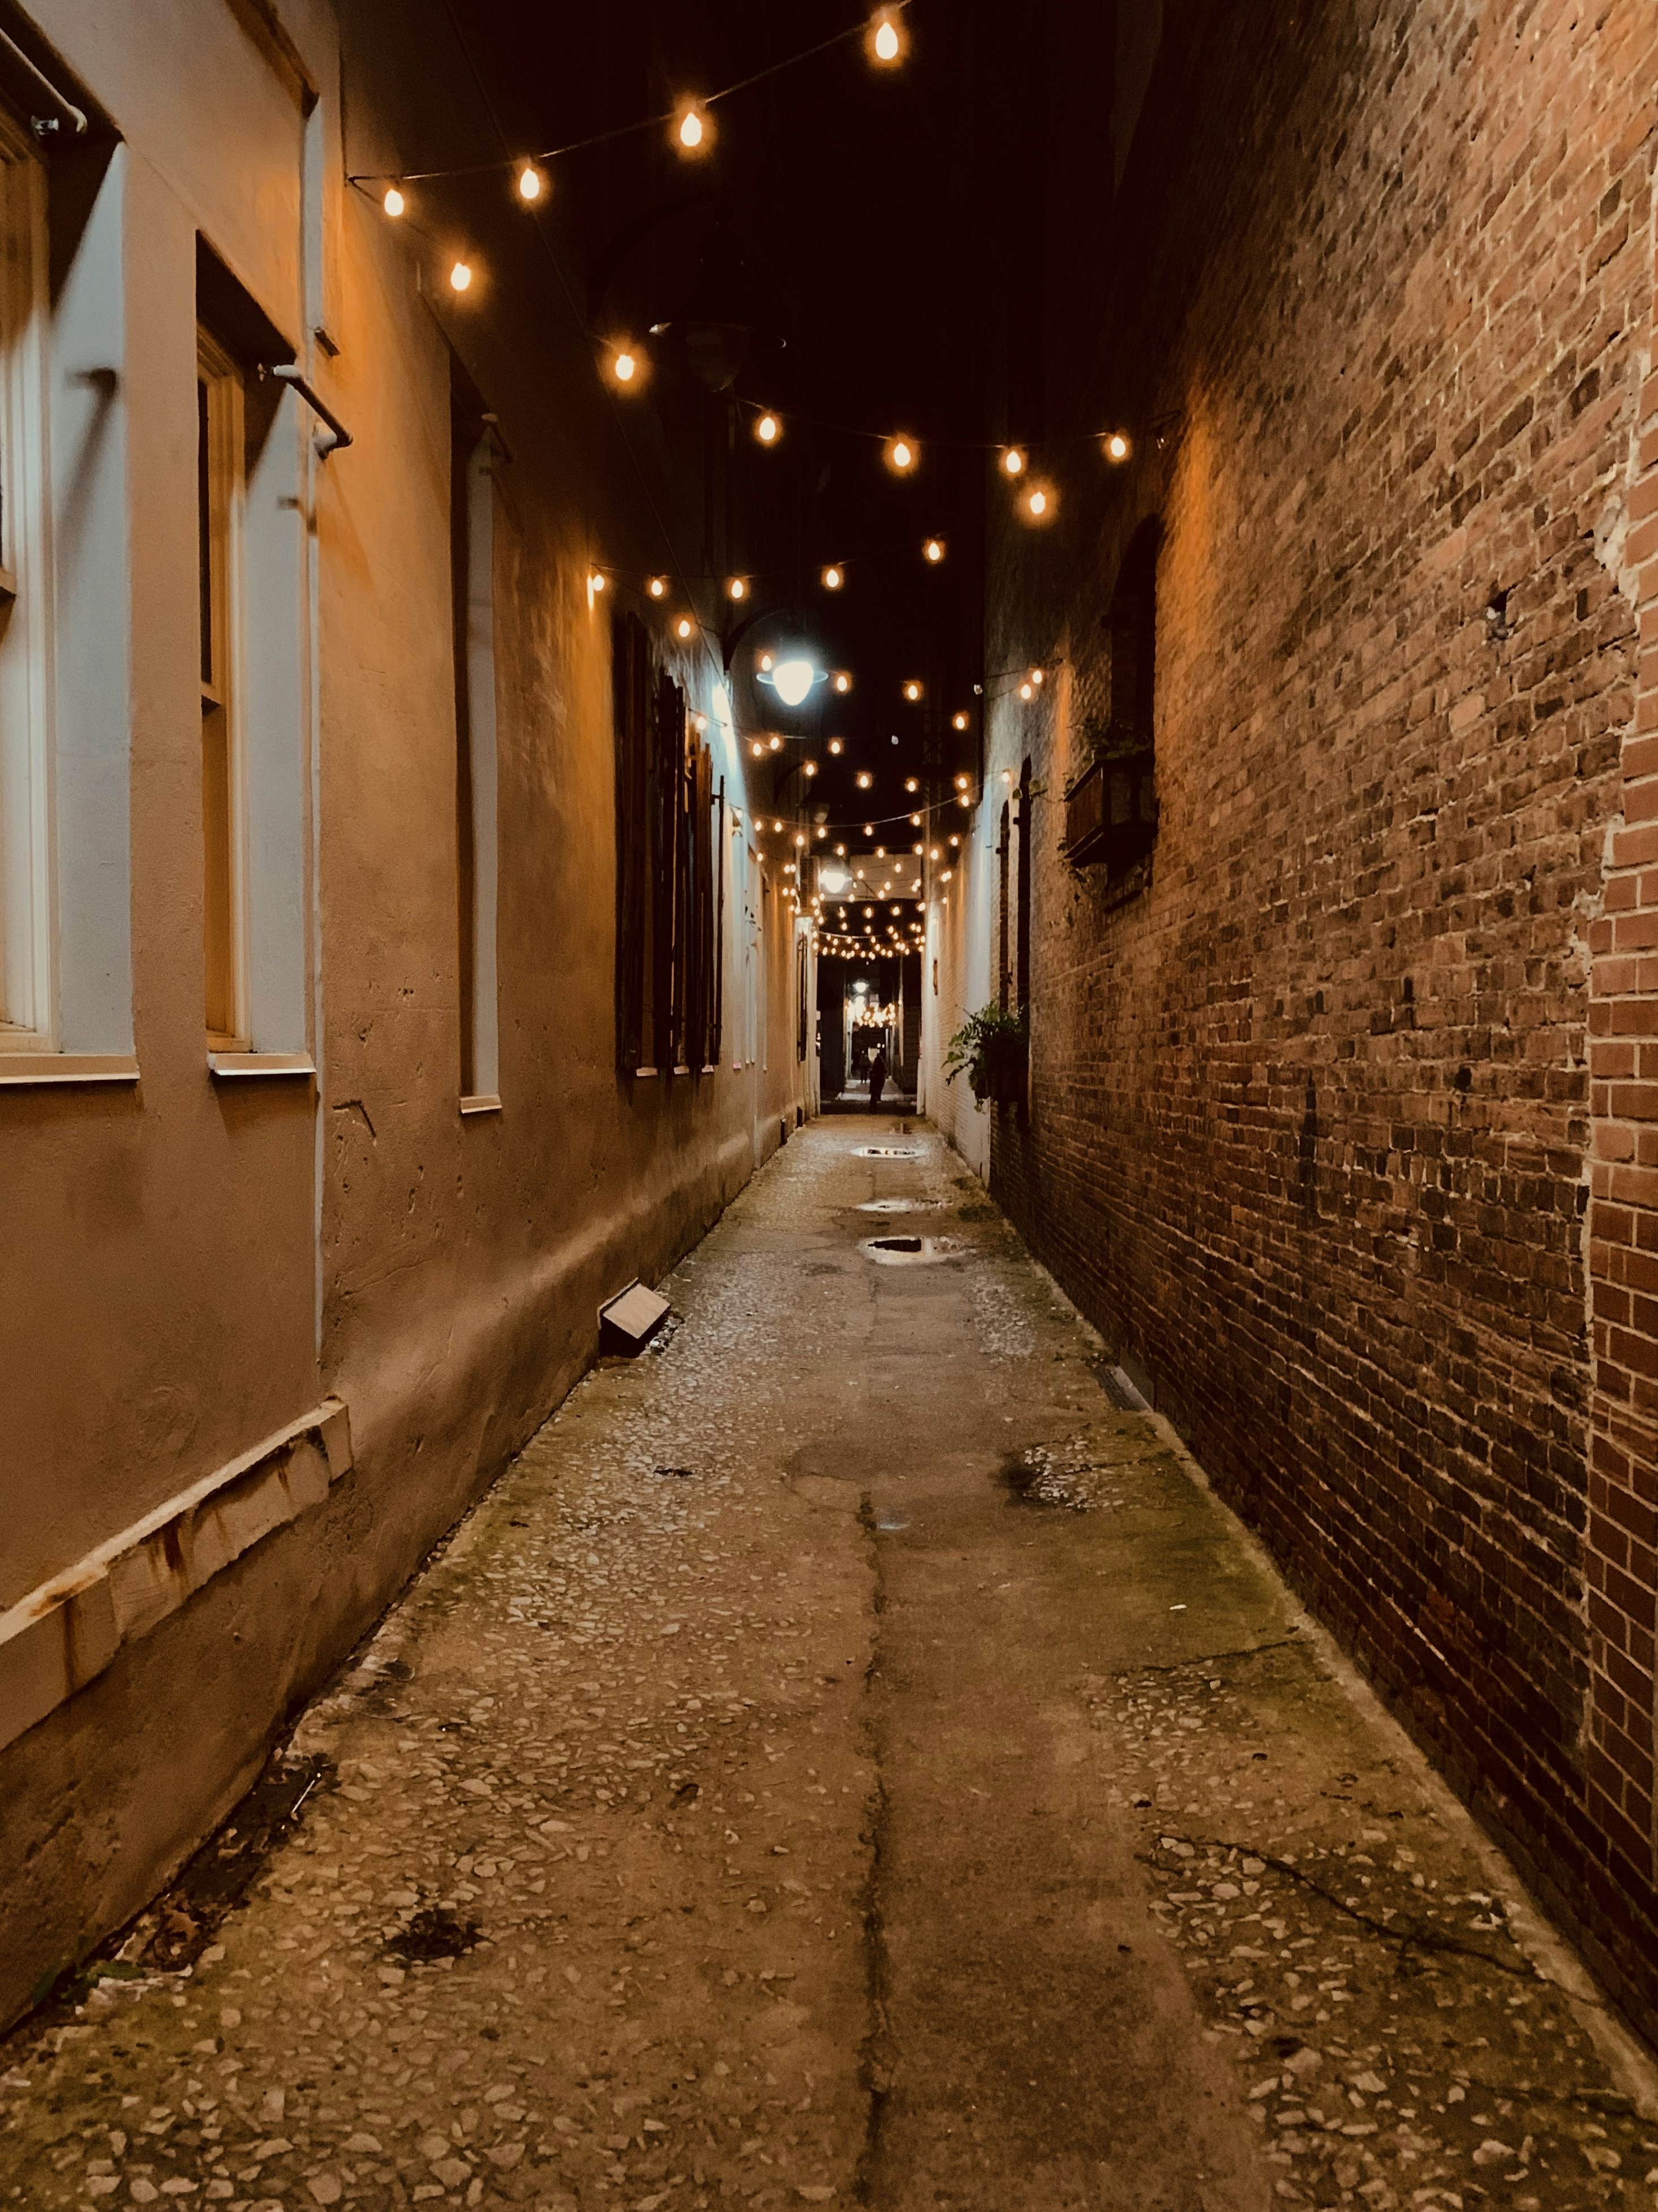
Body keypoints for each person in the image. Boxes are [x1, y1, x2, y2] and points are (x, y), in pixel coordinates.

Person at [869, 1045, 888, 1113]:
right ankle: (878, 1097)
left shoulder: (875, 1065)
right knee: (880, 1088)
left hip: (875, 1079)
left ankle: (873, 1105)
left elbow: (872, 1071)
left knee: (875, 1091)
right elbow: (885, 1071)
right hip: (880, 1079)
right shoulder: (881, 1065)